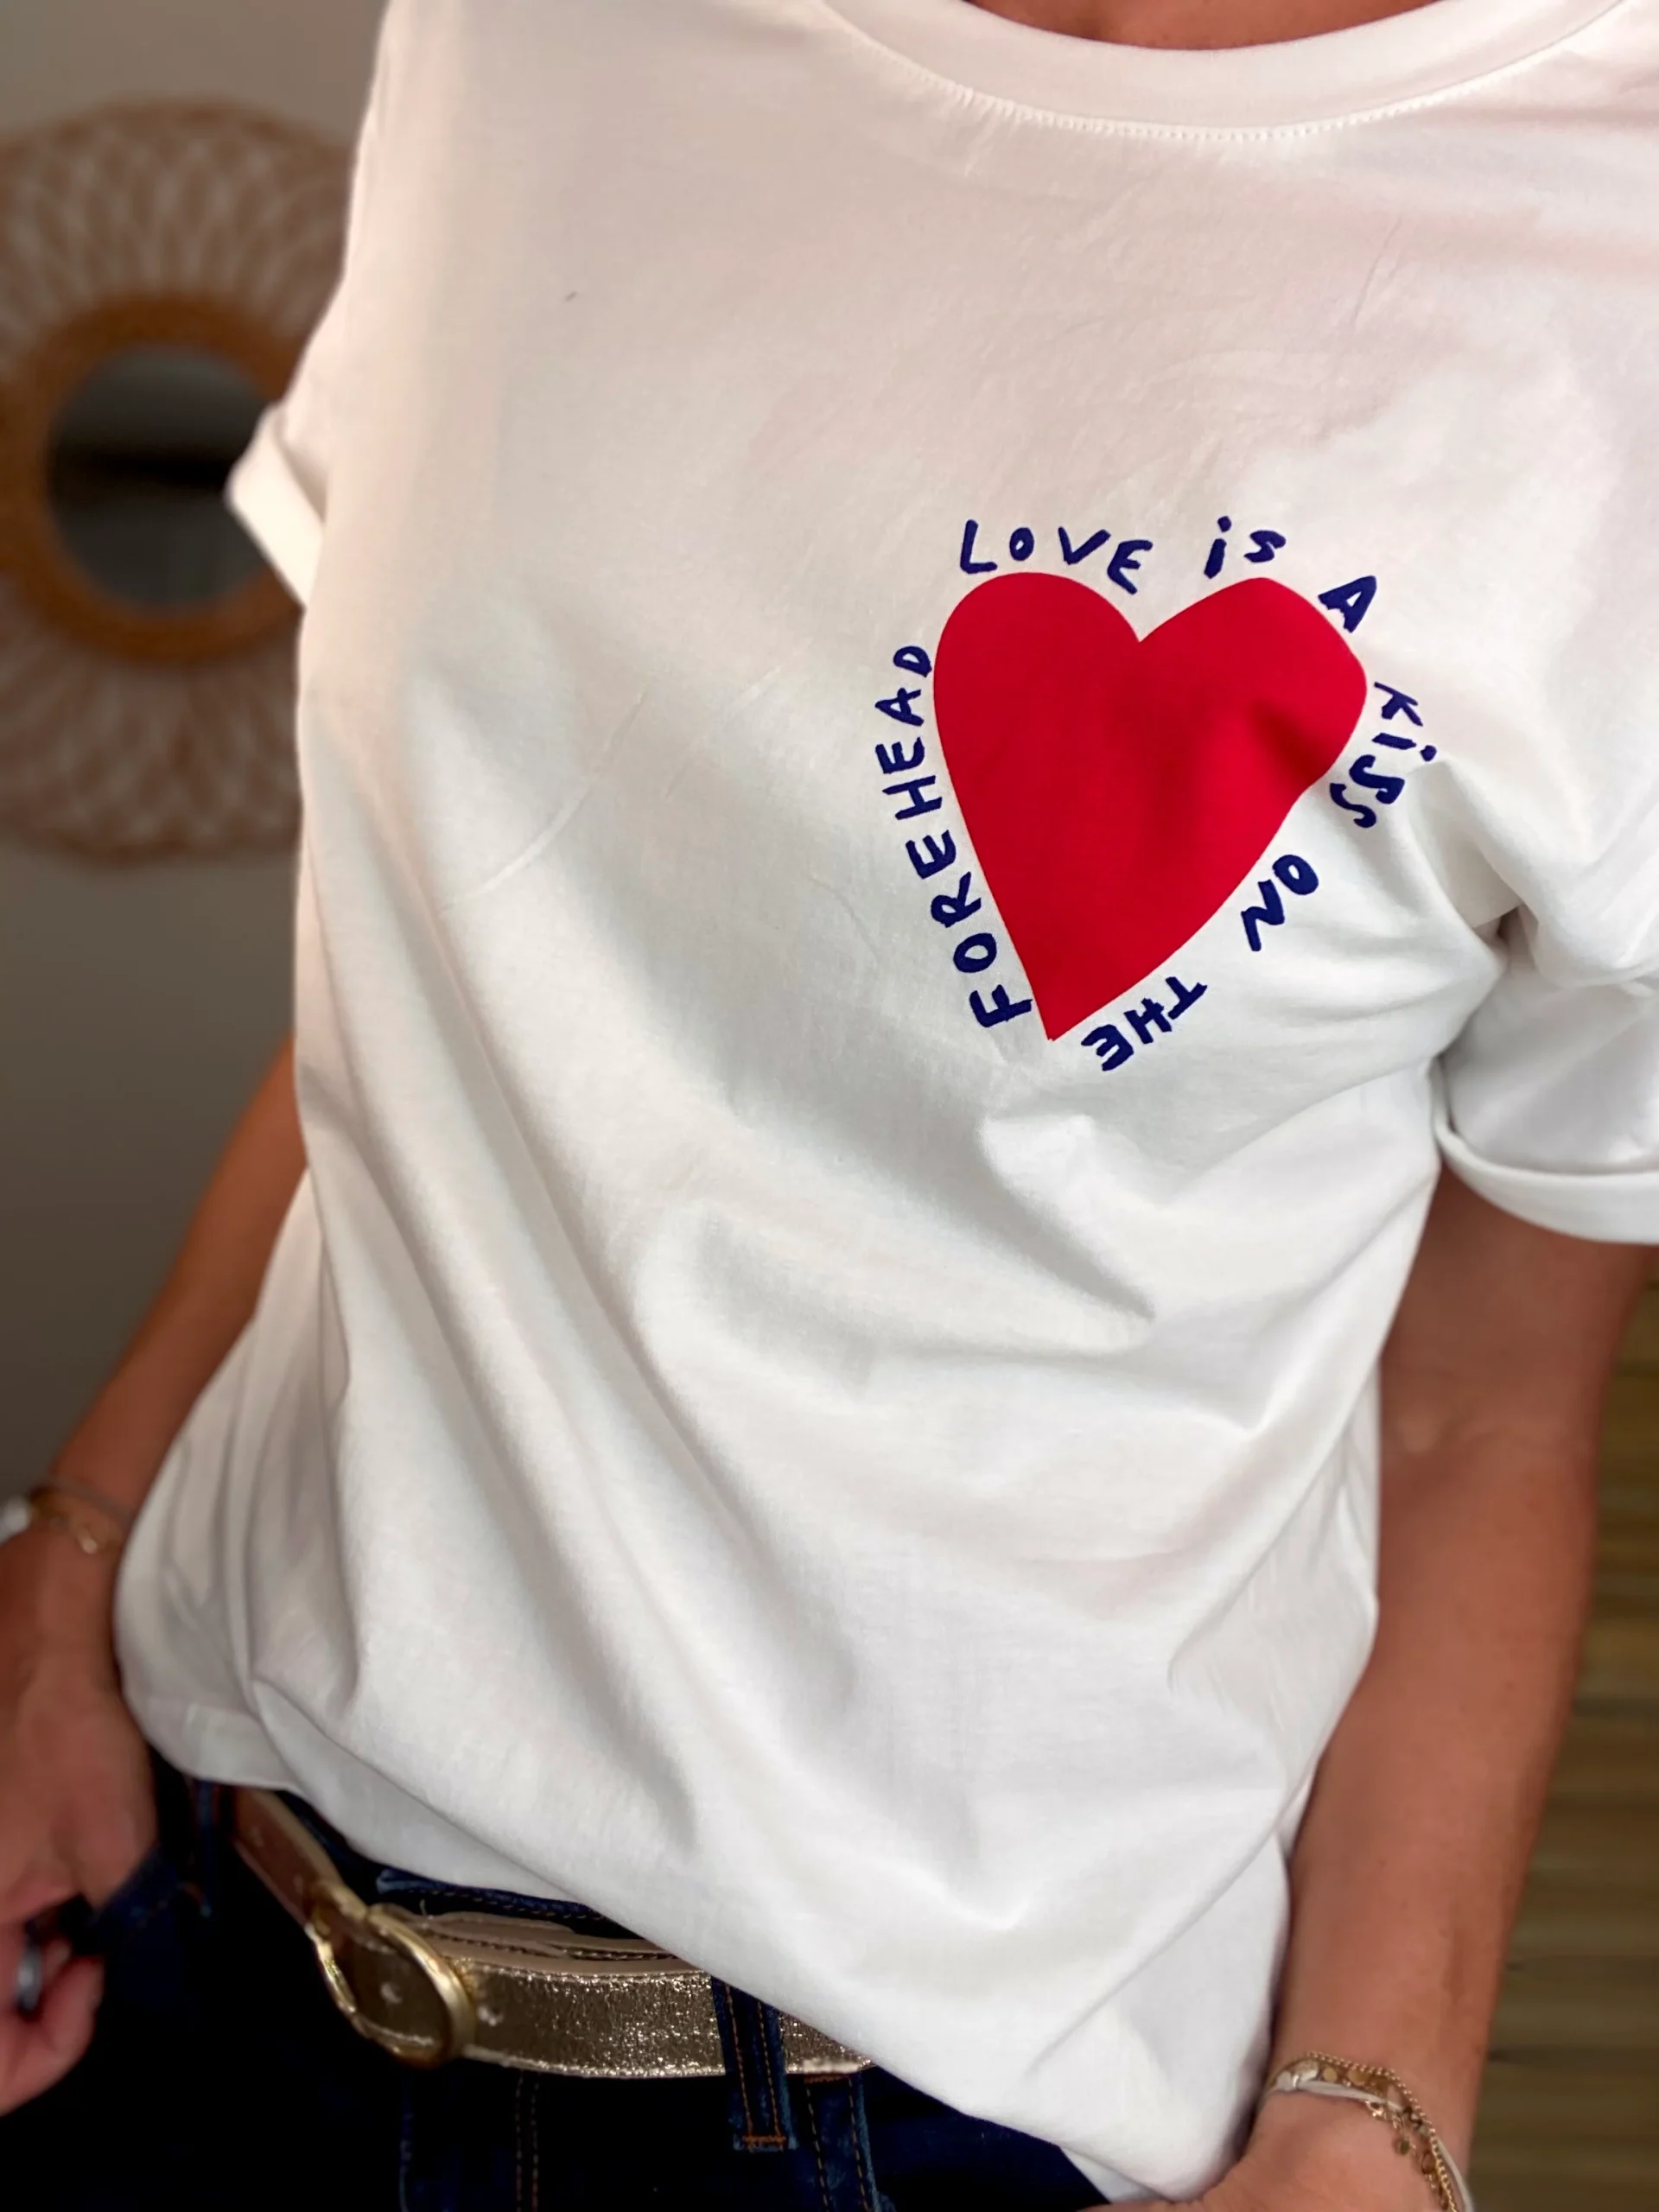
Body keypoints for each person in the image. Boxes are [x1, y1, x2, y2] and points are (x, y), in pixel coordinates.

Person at [3, 0, 1656, 2202]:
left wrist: (1372, 2121)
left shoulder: (1610, 269)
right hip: (183, 1921)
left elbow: (1483, 1412)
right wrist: (67, 1557)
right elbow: (429, 959)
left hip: (919, 2119)